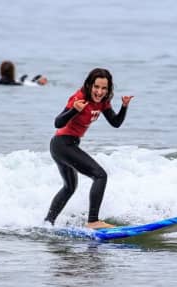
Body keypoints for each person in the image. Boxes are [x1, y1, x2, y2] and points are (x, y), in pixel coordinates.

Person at [44, 68, 134, 229]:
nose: (99, 92)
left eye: (104, 88)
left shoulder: (103, 101)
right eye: (96, 87)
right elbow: (58, 123)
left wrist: (124, 106)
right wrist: (74, 110)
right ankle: (93, 221)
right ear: (89, 85)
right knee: (100, 175)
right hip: (62, 144)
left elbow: (115, 122)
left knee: (69, 187)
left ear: (108, 89)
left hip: (65, 145)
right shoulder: (79, 98)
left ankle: (47, 224)